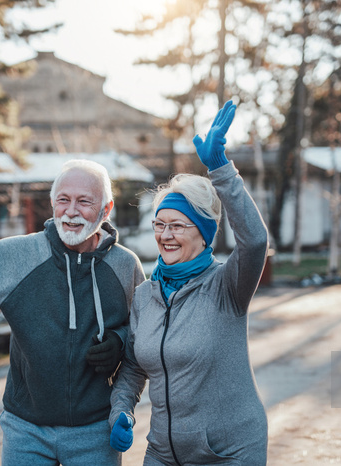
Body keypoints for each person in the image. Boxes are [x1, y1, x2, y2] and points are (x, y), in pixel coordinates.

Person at [0, 153, 145, 465]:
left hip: (95, 430)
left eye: (84, 202)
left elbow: (143, 340)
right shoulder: (16, 256)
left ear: (106, 209)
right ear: (52, 204)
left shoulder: (125, 265)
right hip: (26, 431)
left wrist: (119, 339)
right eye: (63, 199)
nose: (71, 212)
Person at [108, 100, 269, 465]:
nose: (165, 235)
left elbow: (255, 241)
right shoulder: (145, 296)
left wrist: (221, 170)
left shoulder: (228, 287)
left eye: (177, 225)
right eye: (159, 224)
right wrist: (122, 409)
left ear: (204, 234)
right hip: (164, 454)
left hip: (229, 452)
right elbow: (134, 366)